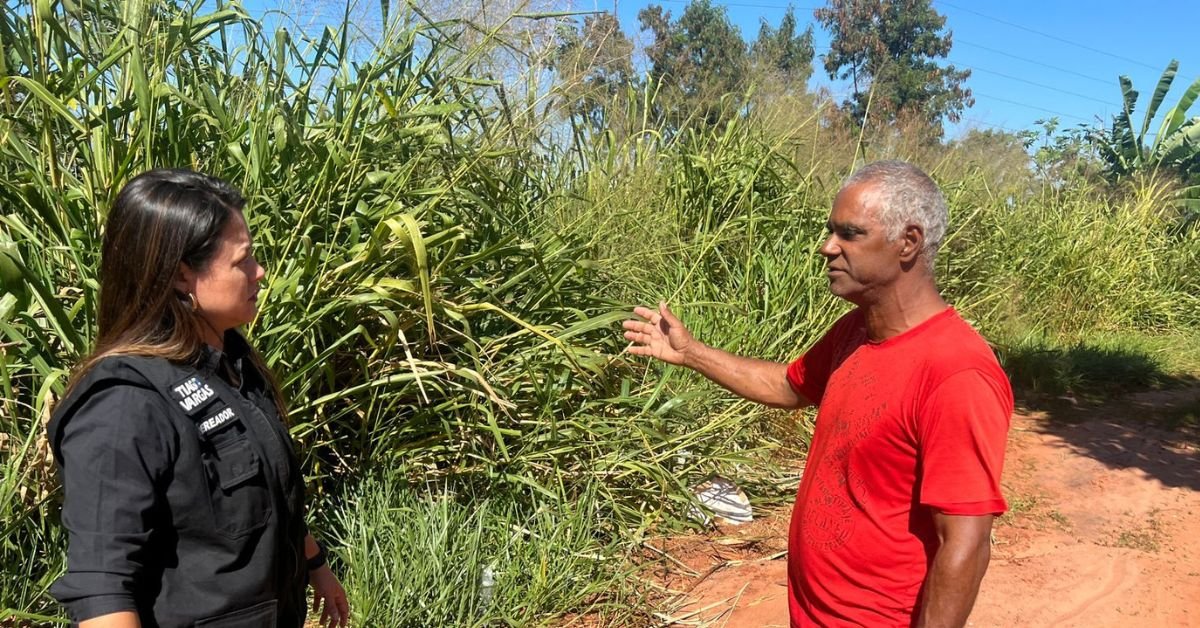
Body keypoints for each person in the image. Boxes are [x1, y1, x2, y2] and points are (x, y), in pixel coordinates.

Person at [623, 160, 1012, 627]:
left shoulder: (955, 372)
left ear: (908, 242)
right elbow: (789, 385)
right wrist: (691, 353)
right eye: (831, 231)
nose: (827, 248)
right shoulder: (856, 331)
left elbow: (966, 544)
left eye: (850, 234)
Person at [46, 169, 350, 627]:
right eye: (242, 261)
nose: (259, 271)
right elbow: (102, 591)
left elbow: (270, 494)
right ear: (182, 275)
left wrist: (316, 566)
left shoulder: (232, 365)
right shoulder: (123, 406)